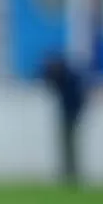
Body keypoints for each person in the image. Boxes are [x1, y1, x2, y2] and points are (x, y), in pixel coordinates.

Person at [42, 54, 88, 185]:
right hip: (69, 113)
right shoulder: (67, 77)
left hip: (70, 113)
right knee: (67, 144)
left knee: (68, 144)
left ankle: (71, 172)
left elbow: (76, 98)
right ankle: (69, 172)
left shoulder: (68, 78)